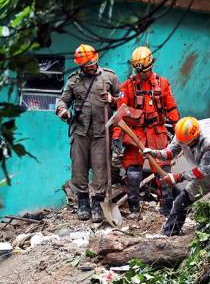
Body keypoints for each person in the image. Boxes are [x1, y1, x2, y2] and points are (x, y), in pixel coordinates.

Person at [144, 117, 210, 236]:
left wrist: (176, 177)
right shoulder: (182, 136)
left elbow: (202, 171)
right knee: (181, 200)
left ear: (196, 136)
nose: (186, 146)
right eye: (182, 143)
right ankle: (168, 234)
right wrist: (153, 153)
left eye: (189, 143)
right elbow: (169, 153)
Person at [111, 46, 180, 216]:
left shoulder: (162, 83)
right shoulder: (127, 86)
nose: (144, 74)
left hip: (157, 132)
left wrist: (178, 128)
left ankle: (167, 208)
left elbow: (171, 108)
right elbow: (120, 114)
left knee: (164, 173)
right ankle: (134, 208)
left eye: (146, 70)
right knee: (133, 174)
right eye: (140, 71)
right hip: (136, 134)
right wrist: (116, 137)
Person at [56, 44, 120, 222]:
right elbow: (62, 101)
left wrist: (112, 99)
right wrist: (62, 111)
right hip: (80, 131)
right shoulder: (73, 81)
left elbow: (122, 102)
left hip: (102, 132)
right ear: (81, 65)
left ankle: (98, 204)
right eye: (87, 65)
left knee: (100, 169)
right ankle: (83, 202)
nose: (91, 66)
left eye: (93, 63)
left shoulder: (110, 77)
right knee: (79, 169)